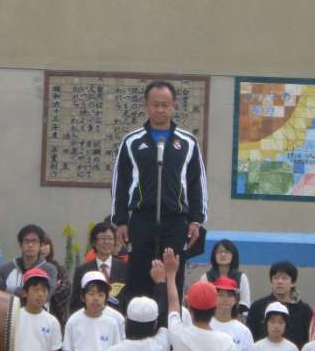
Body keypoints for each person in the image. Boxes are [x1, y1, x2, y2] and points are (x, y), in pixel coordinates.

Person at [111, 80, 208, 301]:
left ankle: (169, 319)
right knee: (139, 279)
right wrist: (121, 221)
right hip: (141, 220)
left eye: (165, 105)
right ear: (146, 106)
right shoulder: (132, 142)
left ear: (174, 106)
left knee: (172, 278)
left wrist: (196, 220)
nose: (160, 109)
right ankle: (137, 320)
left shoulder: (187, 142)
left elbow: (197, 183)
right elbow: (120, 183)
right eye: (155, 104)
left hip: (175, 221)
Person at [165, 248, 238, 351]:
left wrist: (171, 275)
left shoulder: (179, 333)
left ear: (190, 308)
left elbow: (173, 303)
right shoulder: (226, 341)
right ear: (215, 307)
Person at [2, 269, 62, 351]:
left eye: (44, 291)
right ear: (25, 293)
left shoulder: (52, 322)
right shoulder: (13, 317)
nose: (40, 294)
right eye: (35, 290)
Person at [63, 271, 121, 351]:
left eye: (101, 294)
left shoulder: (112, 323)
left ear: (106, 298)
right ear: (83, 297)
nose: (96, 298)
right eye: (91, 294)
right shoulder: (73, 321)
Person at [246, 261, 312, 350]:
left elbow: (309, 340)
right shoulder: (258, 307)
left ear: (293, 282)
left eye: (284, 278)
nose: (280, 282)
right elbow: (250, 337)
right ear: (271, 281)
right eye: (276, 278)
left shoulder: (304, 310)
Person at [70, 222, 127, 313]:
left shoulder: (125, 268)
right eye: (103, 238)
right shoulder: (82, 270)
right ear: (94, 242)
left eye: (110, 239)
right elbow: (76, 302)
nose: (107, 242)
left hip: (118, 318)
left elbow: (128, 298)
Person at [0, 224, 57, 299]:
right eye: (26, 241)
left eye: (34, 241)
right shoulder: (6, 268)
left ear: (40, 245)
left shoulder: (49, 270)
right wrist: (24, 292)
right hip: (9, 306)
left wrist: (11, 290)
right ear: (20, 245)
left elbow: (46, 295)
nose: (30, 245)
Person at [201, 239, 251, 314]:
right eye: (219, 252)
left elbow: (245, 303)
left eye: (227, 252)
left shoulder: (241, 277)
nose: (223, 254)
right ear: (214, 255)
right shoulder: (206, 277)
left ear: (233, 255)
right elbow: (203, 301)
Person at [40, 234, 71, 331]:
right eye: (40, 245)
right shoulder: (31, 268)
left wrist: (49, 290)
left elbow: (66, 288)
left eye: (46, 244)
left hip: (55, 313)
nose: (43, 248)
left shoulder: (58, 268)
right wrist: (53, 286)